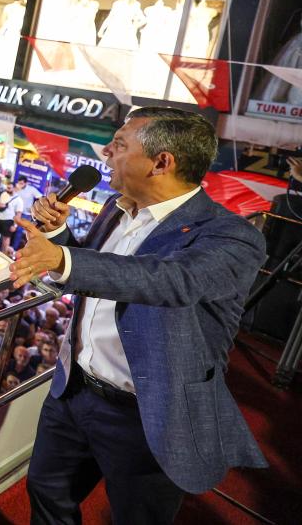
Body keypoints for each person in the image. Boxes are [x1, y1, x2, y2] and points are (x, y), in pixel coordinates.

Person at [14, 108, 268, 523]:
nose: (106, 151)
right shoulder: (116, 209)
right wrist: (61, 238)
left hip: (148, 415)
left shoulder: (232, 237)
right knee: (46, 493)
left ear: (161, 162)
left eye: (119, 143)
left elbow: (170, 281)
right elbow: (102, 278)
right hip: (72, 393)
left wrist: (63, 258)